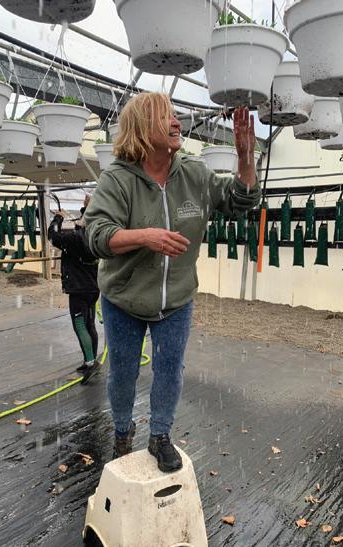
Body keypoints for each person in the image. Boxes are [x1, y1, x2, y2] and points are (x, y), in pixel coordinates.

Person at [85, 92, 260, 472]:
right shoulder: (118, 178)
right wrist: (145, 236)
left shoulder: (194, 174)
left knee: (169, 370)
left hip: (177, 299)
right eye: (166, 116)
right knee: (123, 373)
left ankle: (160, 435)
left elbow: (241, 201)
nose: (177, 122)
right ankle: (122, 431)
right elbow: (96, 235)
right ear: (141, 128)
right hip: (124, 299)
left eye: (176, 115)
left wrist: (246, 157)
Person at [48, 195, 100, 385]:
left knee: (80, 325)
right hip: (93, 287)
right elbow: (86, 222)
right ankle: (90, 360)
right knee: (90, 323)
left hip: (79, 288)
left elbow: (53, 236)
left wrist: (58, 218)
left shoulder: (72, 239)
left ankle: (91, 362)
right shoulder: (94, 237)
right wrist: (87, 208)